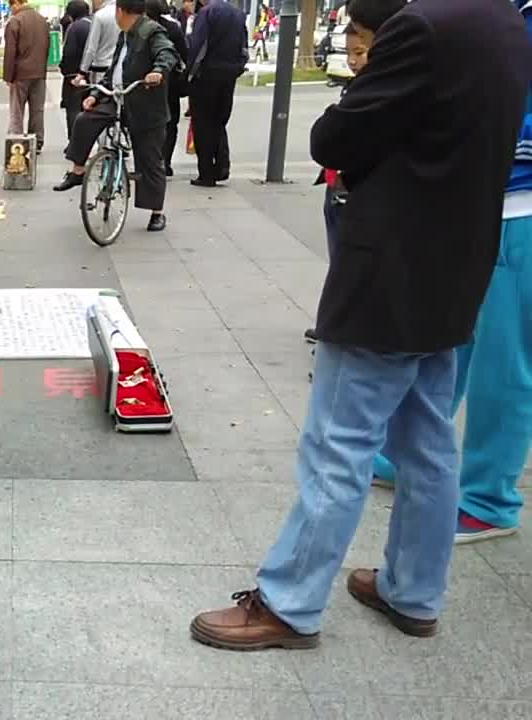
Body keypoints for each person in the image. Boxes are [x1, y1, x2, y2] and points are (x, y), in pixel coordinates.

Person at [189, 0, 532, 651]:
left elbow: (336, 140)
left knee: (337, 443)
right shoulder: (505, 22)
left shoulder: (423, 27)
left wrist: (348, 106)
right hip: (456, 266)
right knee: (427, 441)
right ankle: (413, 590)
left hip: (390, 272)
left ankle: (290, 602)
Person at [367, 0, 532, 545]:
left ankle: (489, 498)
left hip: (519, 204)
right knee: (447, 341)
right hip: (475, 201)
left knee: (502, 364)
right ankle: (402, 452)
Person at [54, 0, 177, 232]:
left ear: (120, 11)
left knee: (149, 159)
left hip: (144, 103)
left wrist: (158, 71)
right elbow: (114, 69)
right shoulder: (125, 34)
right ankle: (78, 170)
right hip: (118, 96)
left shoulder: (152, 31)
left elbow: (167, 52)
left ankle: (156, 212)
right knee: (85, 119)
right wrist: (96, 94)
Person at [303, 20, 375, 345]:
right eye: (349, 53)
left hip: (355, 192)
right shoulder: (356, 85)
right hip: (336, 185)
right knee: (337, 257)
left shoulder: (380, 91)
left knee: (348, 264)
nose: (353, 60)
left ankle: (339, 329)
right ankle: (331, 322)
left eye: (360, 52)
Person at [185, 0, 247, 186]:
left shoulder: (207, 13)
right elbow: (243, 46)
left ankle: (206, 173)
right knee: (219, 121)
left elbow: (198, 46)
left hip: (207, 75)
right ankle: (222, 165)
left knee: (203, 123)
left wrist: (189, 74)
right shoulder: (237, 14)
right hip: (229, 74)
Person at [147, 0, 189, 176]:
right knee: (170, 122)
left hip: (147, 83)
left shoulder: (142, 29)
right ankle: (165, 161)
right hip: (170, 83)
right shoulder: (173, 28)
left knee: (148, 123)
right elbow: (185, 54)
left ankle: (152, 161)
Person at [4, 0, 52, 154]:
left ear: (16, 3)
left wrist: (8, 76)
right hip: (39, 72)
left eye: (10, 5)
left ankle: (17, 141)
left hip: (20, 73)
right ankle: (37, 141)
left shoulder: (15, 22)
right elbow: (47, 47)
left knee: (17, 110)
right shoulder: (42, 21)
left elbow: (10, 52)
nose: (11, 9)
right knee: (37, 109)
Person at [60, 0, 95, 141]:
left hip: (75, 74)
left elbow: (69, 52)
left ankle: (74, 140)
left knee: (73, 109)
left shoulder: (74, 27)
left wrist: (64, 69)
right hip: (95, 72)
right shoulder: (94, 24)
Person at [80, 0, 120, 86]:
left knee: (98, 96)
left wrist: (82, 72)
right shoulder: (124, 13)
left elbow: (91, 48)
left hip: (100, 68)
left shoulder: (100, 15)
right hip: (118, 68)